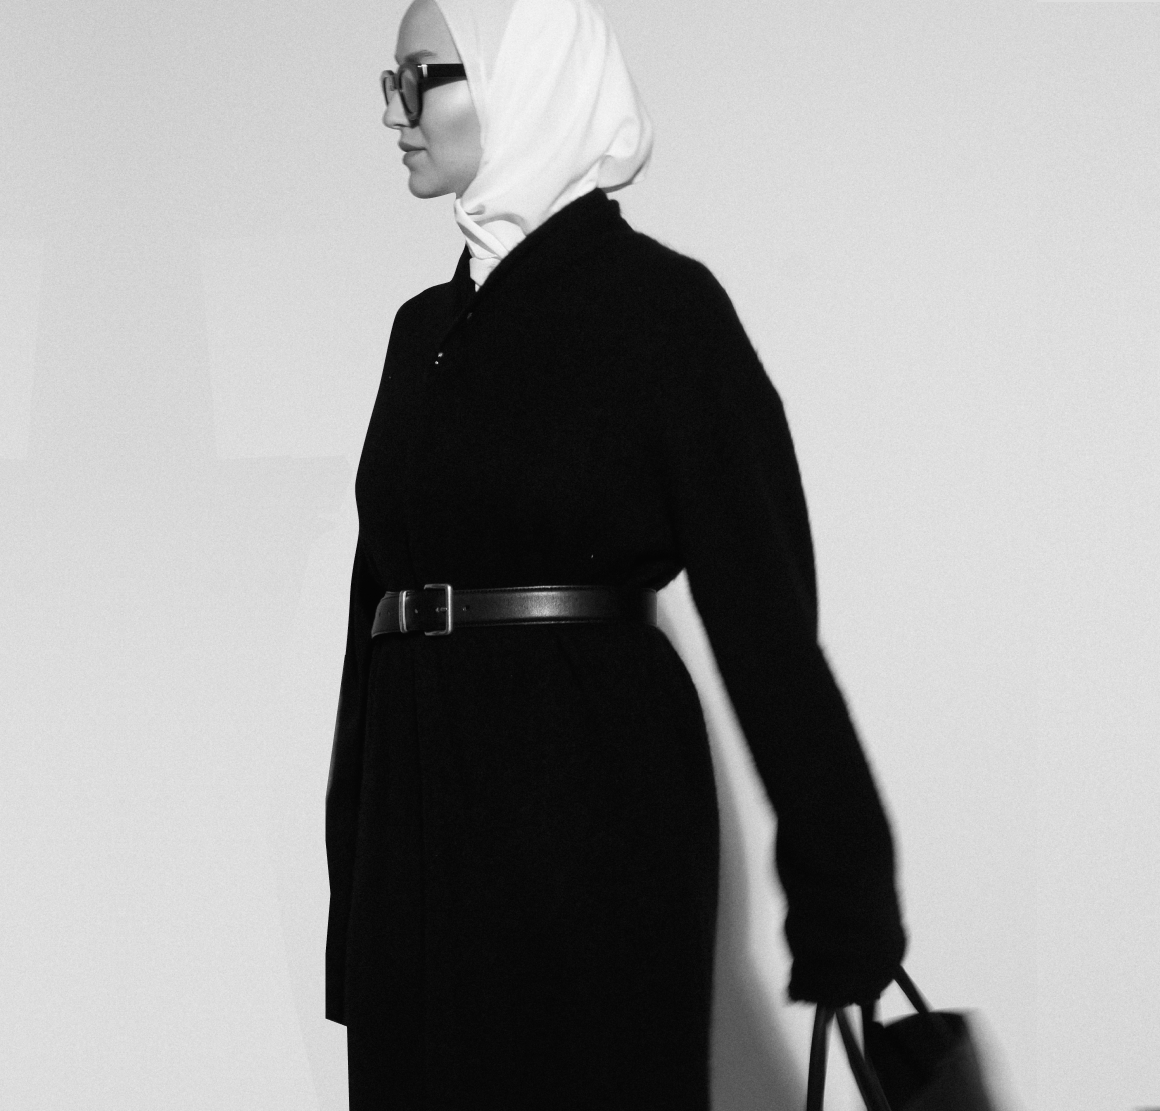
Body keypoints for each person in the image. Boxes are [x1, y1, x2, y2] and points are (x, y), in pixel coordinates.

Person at [325, 0, 907, 1106]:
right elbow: (378, 610)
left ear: (525, 80)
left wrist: (844, 901)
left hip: (589, 816)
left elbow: (765, 623)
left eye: (419, 78)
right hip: (418, 835)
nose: (395, 113)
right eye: (389, 83)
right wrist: (355, 909)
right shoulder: (421, 330)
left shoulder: (661, 311)